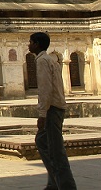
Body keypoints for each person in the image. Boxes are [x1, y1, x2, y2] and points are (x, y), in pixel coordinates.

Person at [29, 32, 77, 190]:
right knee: (43, 141)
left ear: (37, 44)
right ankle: (53, 183)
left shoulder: (43, 61)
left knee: (56, 151)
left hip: (52, 109)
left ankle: (66, 186)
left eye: (30, 42)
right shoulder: (50, 59)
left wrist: (42, 113)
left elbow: (45, 89)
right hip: (56, 107)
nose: (28, 45)